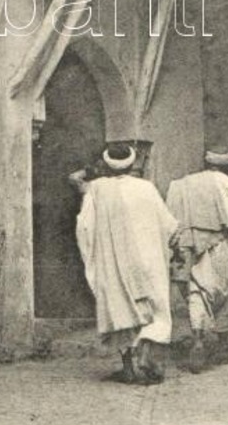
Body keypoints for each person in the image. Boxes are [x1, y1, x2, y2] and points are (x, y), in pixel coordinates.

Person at [75, 142, 179, 385]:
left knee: (119, 309)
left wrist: (93, 252)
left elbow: (85, 225)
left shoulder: (96, 189)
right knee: (155, 308)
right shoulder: (146, 188)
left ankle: (128, 368)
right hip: (147, 261)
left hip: (116, 262)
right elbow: (168, 224)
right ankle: (147, 350)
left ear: (107, 164)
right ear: (133, 163)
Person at [166, 147, 228, 373]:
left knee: (196, 292)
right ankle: (223, 345)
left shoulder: (184, 183)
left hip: (188, 246)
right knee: (223, 292)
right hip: (219, 245)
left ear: (207, 163)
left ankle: (198, 341)